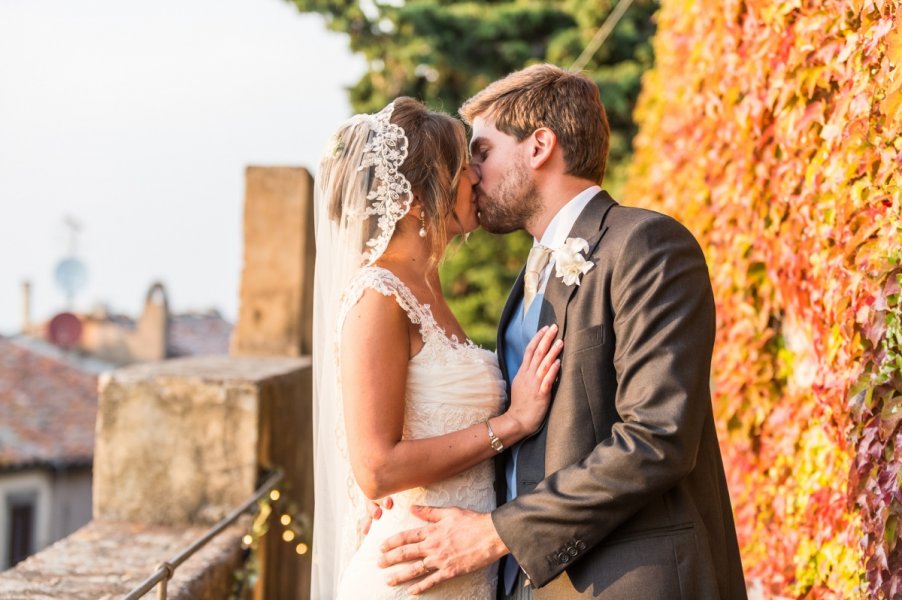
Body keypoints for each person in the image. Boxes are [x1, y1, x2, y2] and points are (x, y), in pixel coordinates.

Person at [378, 65, 747, 599]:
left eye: (481, 151)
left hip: (633, 581)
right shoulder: (526, 280)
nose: (471, 173)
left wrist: (496, 533)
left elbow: (657, 436)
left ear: (539, 146)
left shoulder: (645, 244)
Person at [311, 96, 564, 599]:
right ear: (416, 198)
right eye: (461, 165)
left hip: (464, 567)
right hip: (410, 576)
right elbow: (377, 468)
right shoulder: (378, 295)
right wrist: (511, 423)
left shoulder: (427, 287)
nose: (475, 175)